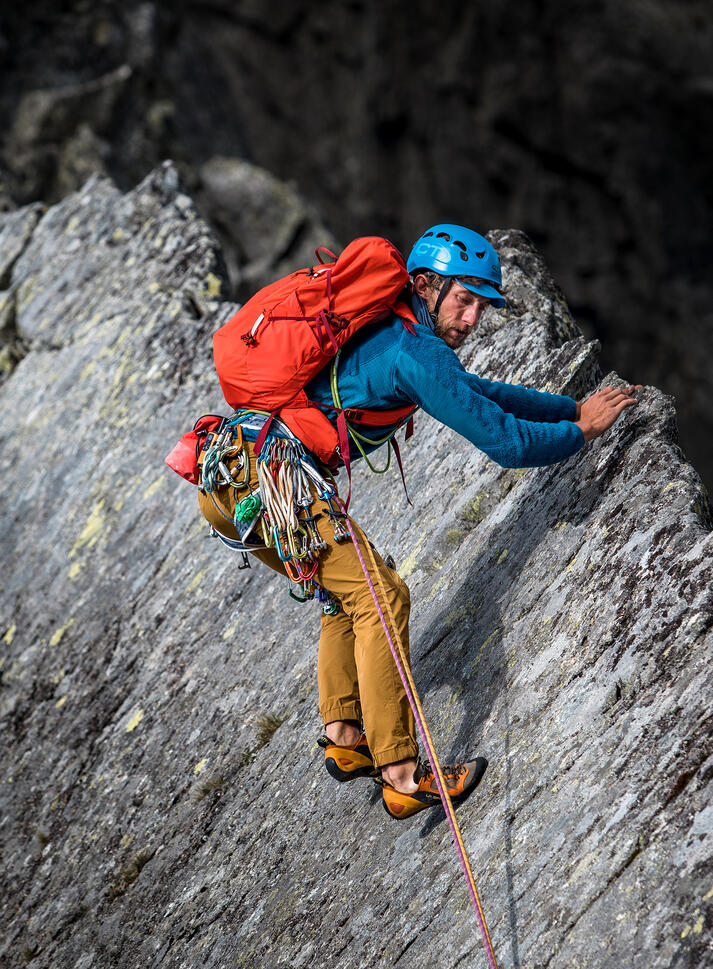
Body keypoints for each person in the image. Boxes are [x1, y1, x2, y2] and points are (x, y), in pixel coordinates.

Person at [198, 224, 639, 819]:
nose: (474, 318)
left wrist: (568, 408)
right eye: (465, 299)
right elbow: (504, 441)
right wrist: (579, 432)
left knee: (346, 594)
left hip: (229, 477)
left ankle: (347, 738)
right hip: (275, 479)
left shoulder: (393, 331)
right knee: (381, 595)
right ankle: (402, 775)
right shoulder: (415, 350)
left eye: (482, 305)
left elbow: (478, 393)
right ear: (427, 285)